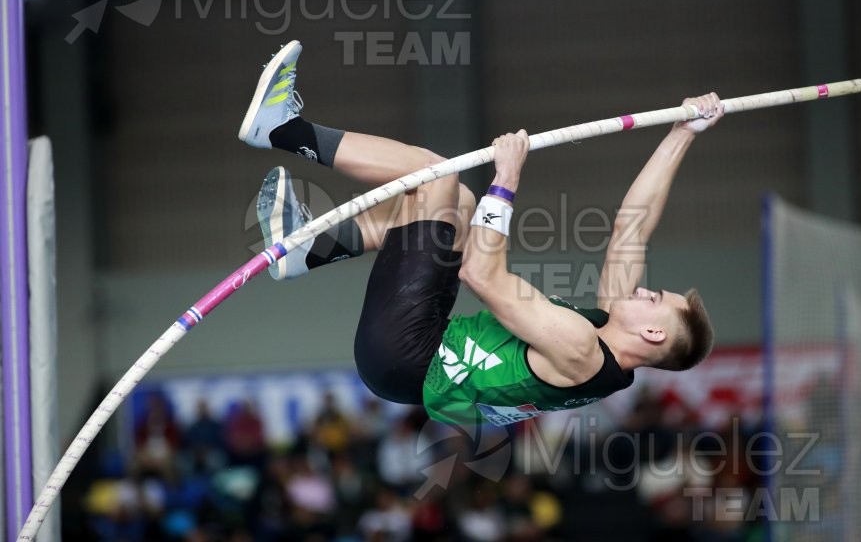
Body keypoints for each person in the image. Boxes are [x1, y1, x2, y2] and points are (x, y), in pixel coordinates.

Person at [238, 41, 717, 426]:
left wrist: (506, 180)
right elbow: (631, 227)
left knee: (434, 176)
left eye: (654, 298)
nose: (643, 290)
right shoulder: (604, 334)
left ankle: (281, 129)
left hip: (405, 352)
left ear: (652, 333)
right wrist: (682, 133)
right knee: (459, 206)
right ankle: (307, 250)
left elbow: (482, 275)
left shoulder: (580, 348)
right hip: (423, 348)